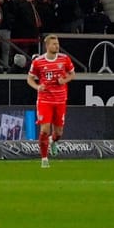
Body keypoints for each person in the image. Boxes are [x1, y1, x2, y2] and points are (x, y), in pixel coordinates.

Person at [27, 34, 75, 169]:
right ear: (47, 46)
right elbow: (29, 78)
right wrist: (38, 87)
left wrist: (64, 80)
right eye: (54, 44)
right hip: (44, 100)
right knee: (44, 130)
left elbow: (72, 74)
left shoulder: (64, 59)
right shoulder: (38, 62)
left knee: (58, 132)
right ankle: (44, 158)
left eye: (58, 44)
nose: (57, 46)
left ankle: (53, 141)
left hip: (60, 100)